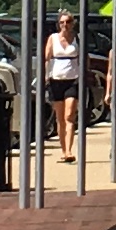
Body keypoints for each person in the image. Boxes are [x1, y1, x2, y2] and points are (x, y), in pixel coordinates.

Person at [43, 14, 81, 155]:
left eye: (68, 21)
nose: (65, 24)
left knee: (69, 116)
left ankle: (69, 151)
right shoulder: (53, 39)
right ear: (59, 24)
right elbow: (46, 59)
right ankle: (64, 148)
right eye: (62, 22)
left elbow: (84, 58)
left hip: (72, 80)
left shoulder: (77, 38)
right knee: (60, 119)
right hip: (56, 80)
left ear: (73, 23)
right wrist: (45, 77)